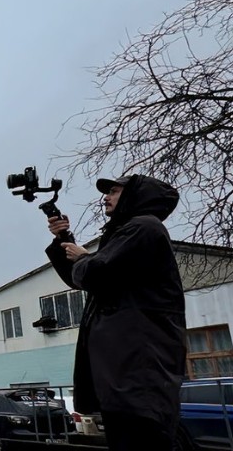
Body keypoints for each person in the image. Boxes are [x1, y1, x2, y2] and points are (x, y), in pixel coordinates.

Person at [45, 174, 186, 451]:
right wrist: (64, 239)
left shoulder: (144, 227)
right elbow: (85, 278)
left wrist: (84, 257)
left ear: (136, 195)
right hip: (125, 375)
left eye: (113, 191)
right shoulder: (129, 231)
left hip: (138, 374)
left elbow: (96, 272)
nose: (106, 198)